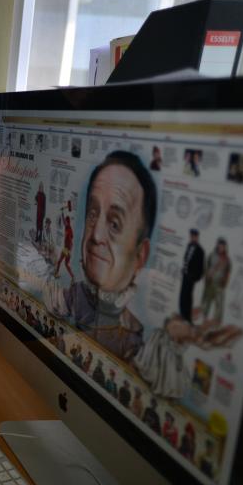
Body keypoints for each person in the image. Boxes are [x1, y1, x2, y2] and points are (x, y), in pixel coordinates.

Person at [46, 151, 157, 363]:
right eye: (93, 214)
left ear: (140, 256)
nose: (95, 235)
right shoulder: (70, 297)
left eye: (114, 224)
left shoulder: (134, 338)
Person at [201, 237, 231, 323]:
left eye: (223, 246)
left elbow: (228, 273)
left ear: (225, 247)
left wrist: (225, 283)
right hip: (210, 282)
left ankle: (217, 323)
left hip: (219, 284)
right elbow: (206, 267)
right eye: (220, 245)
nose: (221, 247)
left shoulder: (227, 260)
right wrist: (206, 278)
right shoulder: (211, 255)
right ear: (217, 245)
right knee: (207, 302)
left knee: (219, 305)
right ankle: (204, 319)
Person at [180, 229, 205, 323]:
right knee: (182, 296)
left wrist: (195, 277)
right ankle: (183, 315)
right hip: (185, 275)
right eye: (191, 236)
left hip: (191, 277)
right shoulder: (189, 245)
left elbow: (201, 267)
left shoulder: (200, 250)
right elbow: (186, 259)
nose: (192, 237)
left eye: (193, 236)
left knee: (187, 297)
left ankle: (187, 317)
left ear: (197, 237)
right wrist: (183, 270)